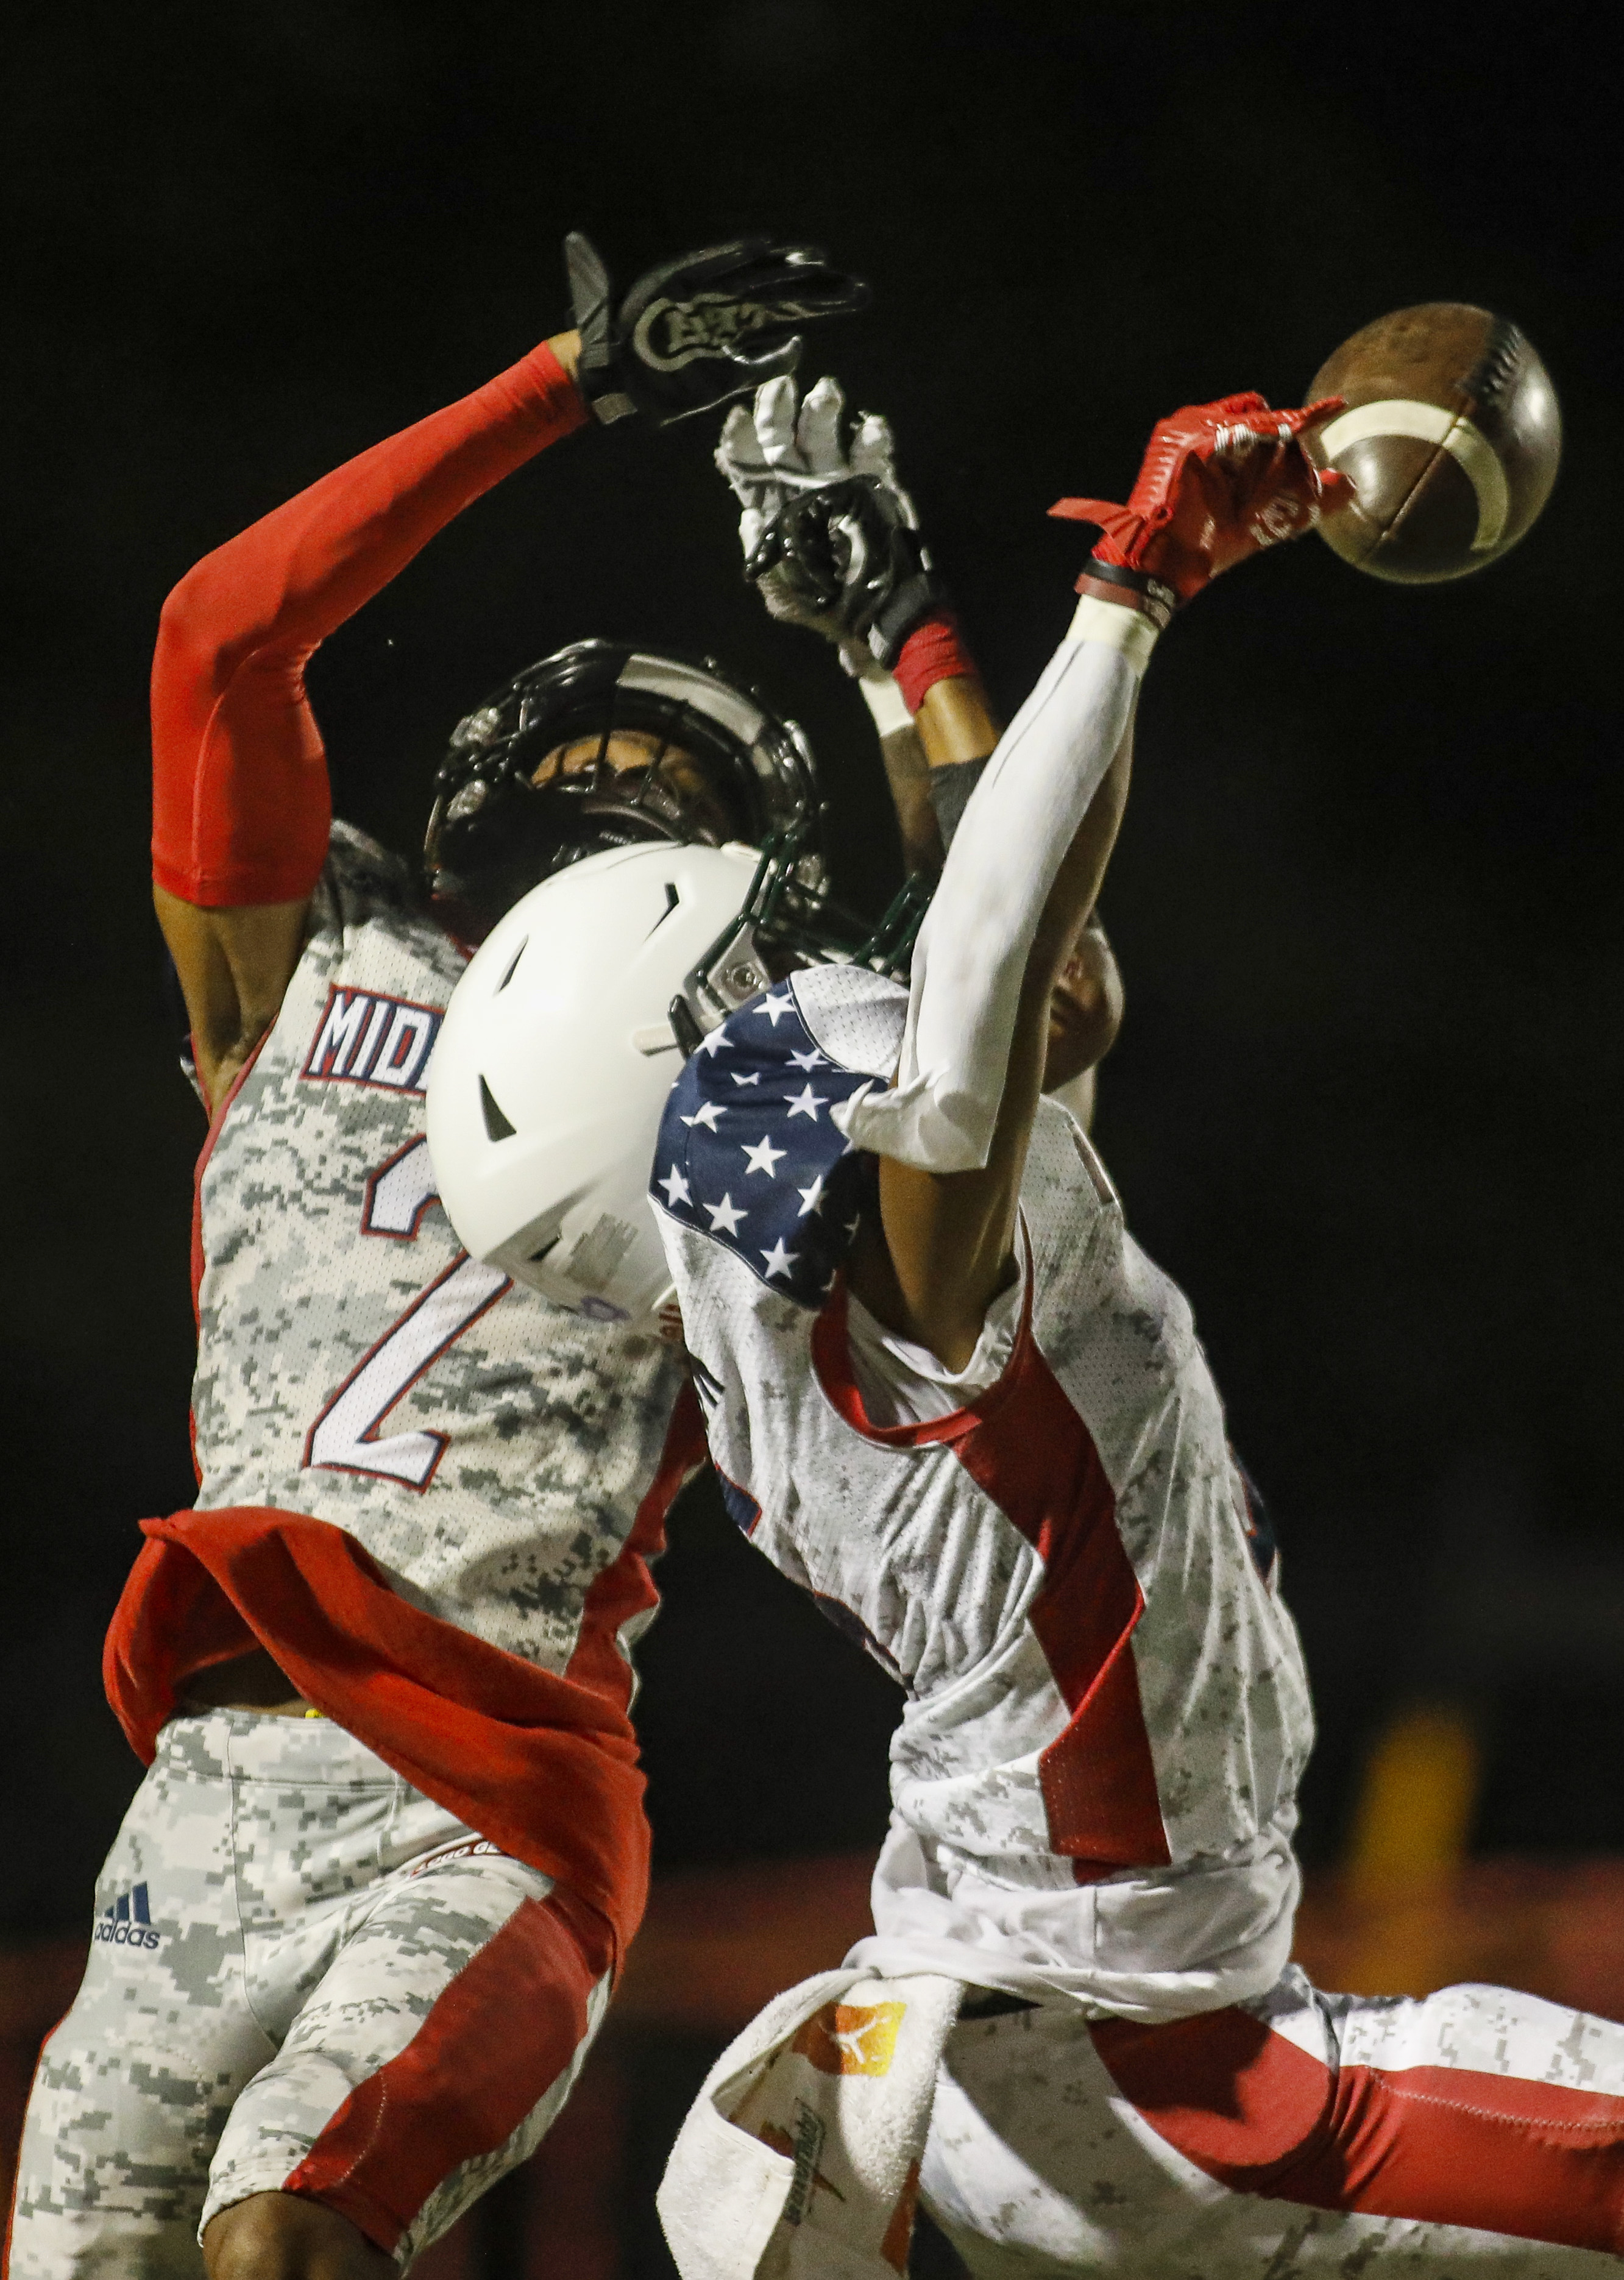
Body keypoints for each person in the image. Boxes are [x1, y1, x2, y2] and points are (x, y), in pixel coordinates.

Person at [431, 387, 1624, 2274]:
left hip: (1056, 2029)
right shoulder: (897, 1284)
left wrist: (897, 630)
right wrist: (1135, 581)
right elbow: (987, 966)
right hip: (1174, 2079)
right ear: (671, 1055)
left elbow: (1029, 950)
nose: (830, 962)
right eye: (763, 964)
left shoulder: (821, 1285)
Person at [5, 233, 877, 2280]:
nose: (626, 801)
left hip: (482, 1792)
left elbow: (1013, 1031)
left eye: (678, 797)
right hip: (206, 1787)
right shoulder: (311, 957)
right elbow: (222, 638)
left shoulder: (743, 1094)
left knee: (283, 2247)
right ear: (488, 784)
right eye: (598, 765)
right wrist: (558, 390)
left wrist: (903, 644)